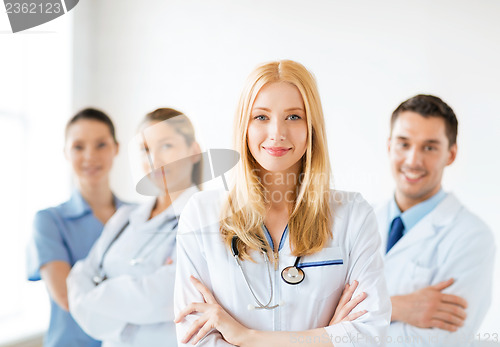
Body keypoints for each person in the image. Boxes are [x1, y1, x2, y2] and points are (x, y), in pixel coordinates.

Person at [174, 60, 391, 346]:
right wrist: (327, 338)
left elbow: (370, 334)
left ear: (311, 125)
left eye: (293, 117)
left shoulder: (353, 215)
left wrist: (246, 337)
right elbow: (196, 339)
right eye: (261, 117)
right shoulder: (201, 214)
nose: (277, 133)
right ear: (244, 126)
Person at [67, 108, 203, 347]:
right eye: (145, 149)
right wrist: (129, 310)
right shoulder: (125, 218)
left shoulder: (206, 222)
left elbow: (159, 298)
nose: (155, 160)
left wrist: (97, 298)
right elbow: (78, 277)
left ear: (193, 152)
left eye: (167, 146)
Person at [376, 94, 496, 346]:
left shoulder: (472, 237)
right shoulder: (358, 221)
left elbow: (437, 341)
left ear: (451, 154)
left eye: (429, 147)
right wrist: (394, 307)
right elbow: (315, 316)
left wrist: (350, 326)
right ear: (389, 146)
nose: (413, 161)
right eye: (404, 144)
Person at [27, 108, 125, 347]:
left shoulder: (139, 217)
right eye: (78, 147)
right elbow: (68, 297)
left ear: (116, 148)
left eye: (101, 145)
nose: (90, 156)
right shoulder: (49, 221)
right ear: (65, 153)